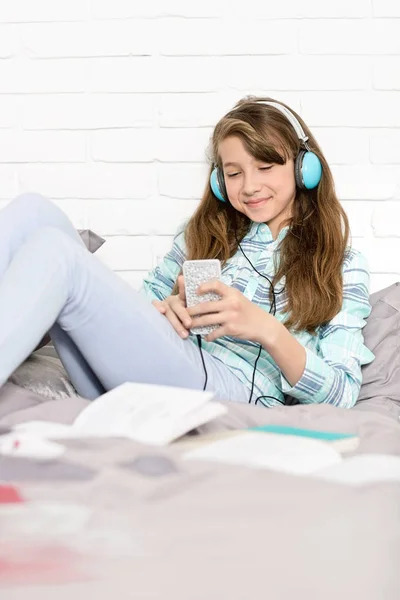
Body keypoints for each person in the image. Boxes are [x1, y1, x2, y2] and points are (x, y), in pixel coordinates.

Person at [0, 96, 374, 409]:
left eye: (265, 166)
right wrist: (166, 310)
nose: (250, 186)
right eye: (233, 173)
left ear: (303, 168)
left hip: (228, 391)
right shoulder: (200, 235)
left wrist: (268, 331)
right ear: (218, 179)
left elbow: (342, 395)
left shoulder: (342, 265)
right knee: (33, 211)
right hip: (147, 374)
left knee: (57, 253)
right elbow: (130, 319)